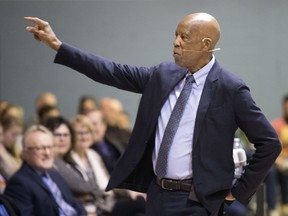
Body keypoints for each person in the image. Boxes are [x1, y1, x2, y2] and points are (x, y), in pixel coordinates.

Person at [24, 12, 281, 216]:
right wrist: (57, 45)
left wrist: (238, 191)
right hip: (157, 193)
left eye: (184, 37)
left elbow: (269, 143)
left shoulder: (230, 88)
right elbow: (110, 71)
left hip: (197, 200)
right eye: (175, 35)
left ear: (206, 44)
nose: (175, 42)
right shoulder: (162, 75)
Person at [4, 125, 86, 216]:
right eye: (41, 148)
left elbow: (74, 204)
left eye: (50, 147)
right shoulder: (18, 183)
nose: (47, 153)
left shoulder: (54, 174)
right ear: (25, 152)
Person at [86, 109, 123, 174]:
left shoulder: (115, 141)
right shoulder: (87, 151)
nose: (91, 128)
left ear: (104, 126)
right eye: (88, 125)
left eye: (94, 124)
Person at [271, 94, 288, 216]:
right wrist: (278, 160)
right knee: (271, 172)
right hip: (279, 161)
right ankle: (274, 208)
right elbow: (271, 147)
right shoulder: (277, 125)